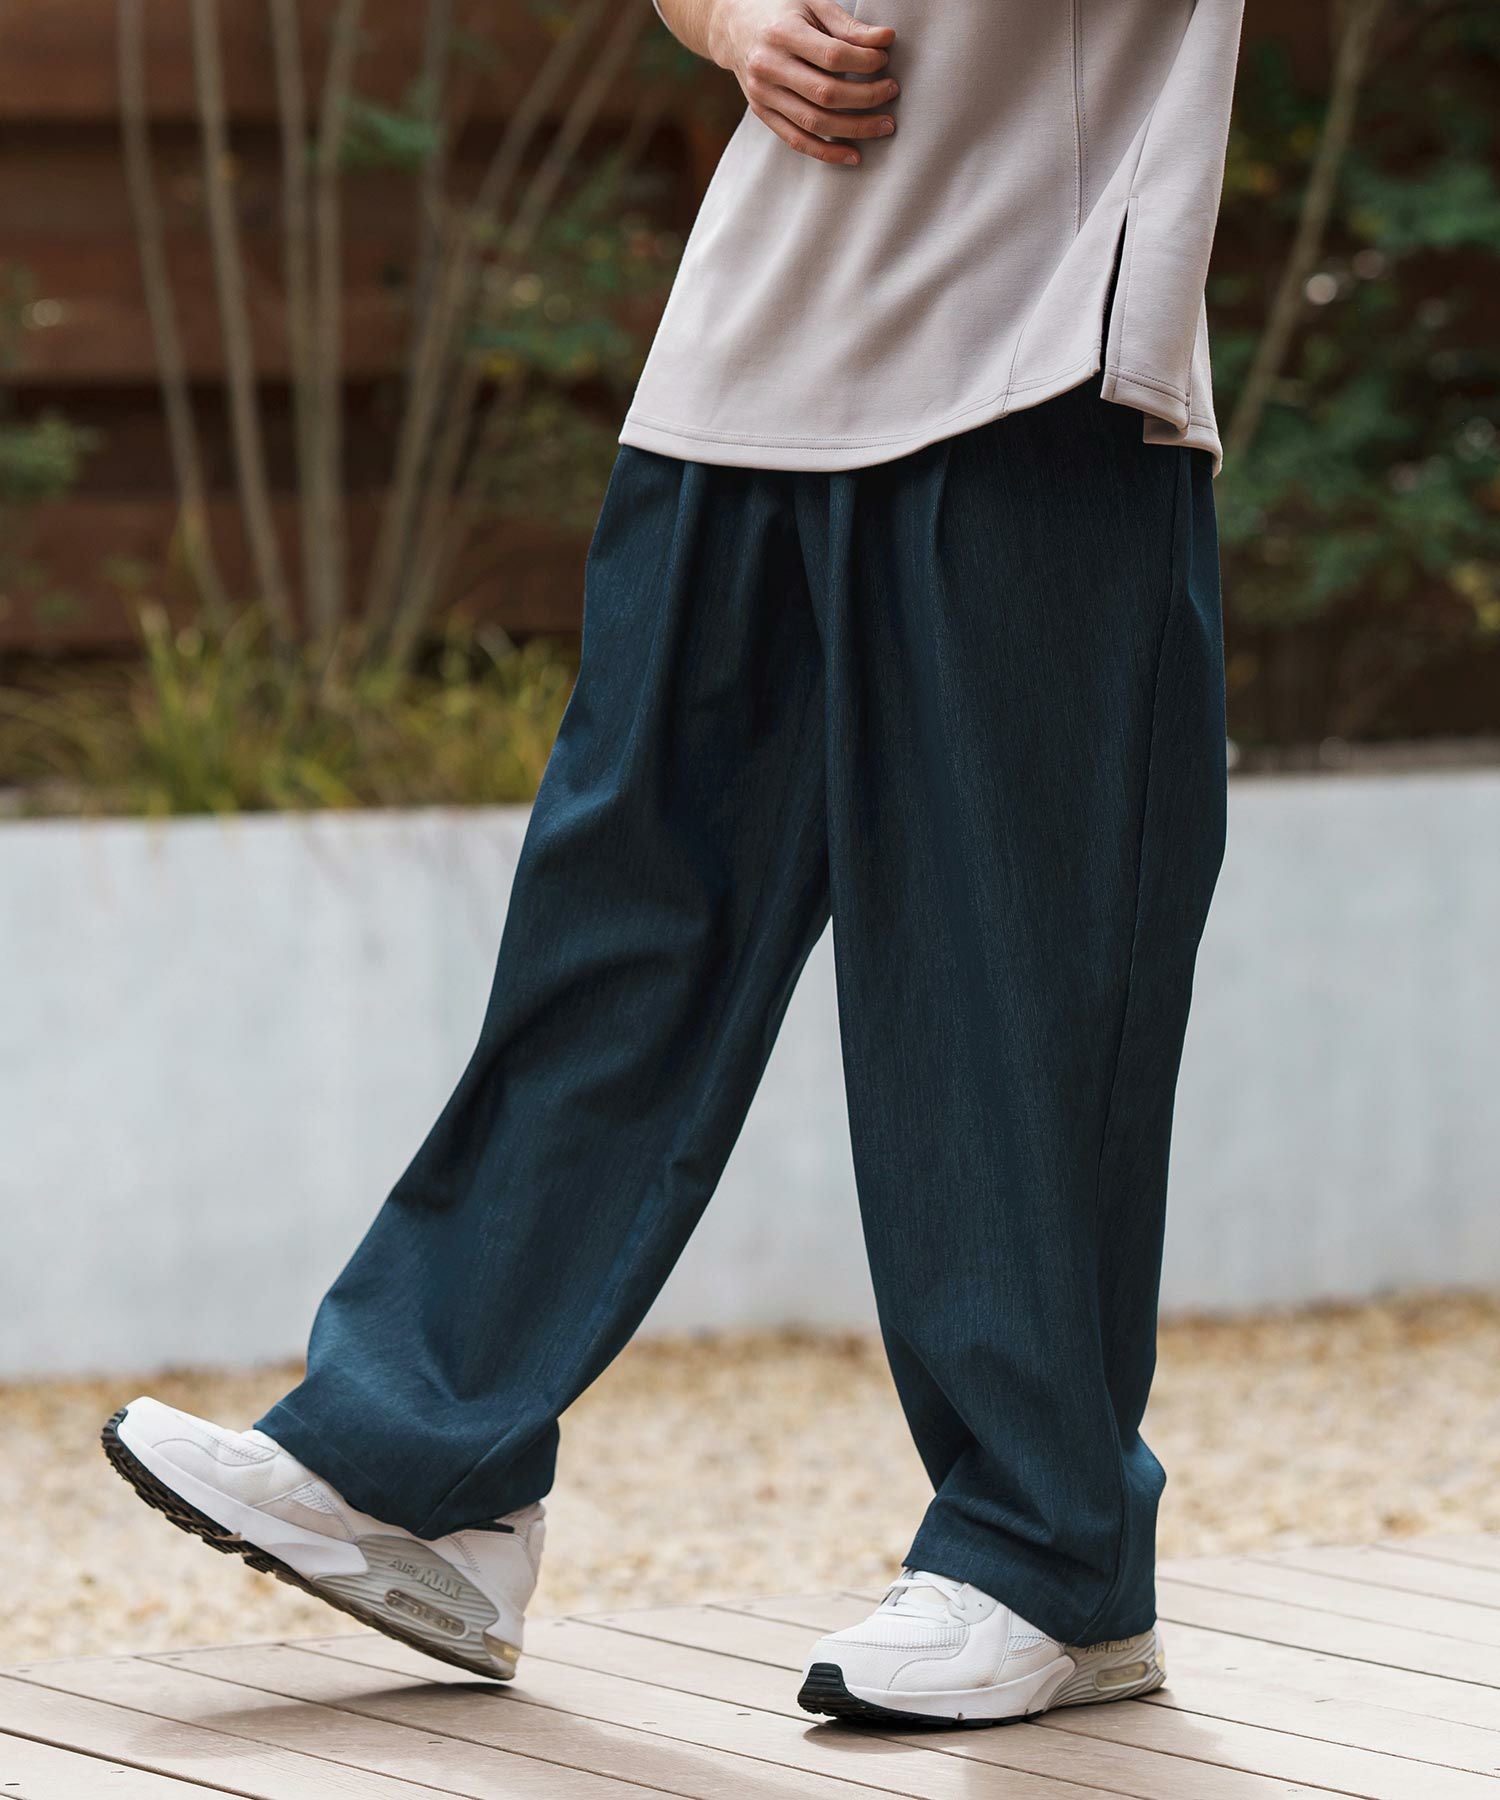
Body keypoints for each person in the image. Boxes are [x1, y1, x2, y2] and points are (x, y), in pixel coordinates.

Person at [103, 0, 1243, 1727]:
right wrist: (734, 21)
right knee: (615, 942)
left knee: (1009, 992)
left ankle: (1051, 1557)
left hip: (1037, 350)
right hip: (743, 361)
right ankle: (420, 1465)